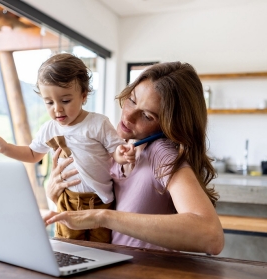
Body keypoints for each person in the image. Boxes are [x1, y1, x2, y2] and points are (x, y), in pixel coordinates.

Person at [43, 61, 225, 255]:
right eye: (131, 99)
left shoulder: (161, 153)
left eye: (147, 116)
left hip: (145, 278)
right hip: (110, 271)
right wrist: (55, 194)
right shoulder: (118, 148)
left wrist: (103, 216)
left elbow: (211, 236)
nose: (128, 116)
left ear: (170, 125)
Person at [0, 53, 135, 243]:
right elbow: (32, 154)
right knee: (67, 245)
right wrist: (5, 147)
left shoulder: (98, 123)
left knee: (102, 245)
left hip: (100, 201)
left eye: (65, 101)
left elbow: (115, 150)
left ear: (83, 96)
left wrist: (122, 155)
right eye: (49, 102)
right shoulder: (49, 128)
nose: (57, 108)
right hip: (67, 201)